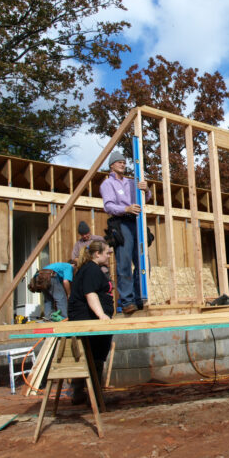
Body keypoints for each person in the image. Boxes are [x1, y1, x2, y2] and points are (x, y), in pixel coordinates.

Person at [99, 150, 151, 314]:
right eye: (119, 162)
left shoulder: (131, 182)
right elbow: (108, 206)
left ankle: (139, 298)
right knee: (124, 261)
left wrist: (146, 190)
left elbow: (144, 199)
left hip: (136, 221)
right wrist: (126, 208)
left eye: (124, 162)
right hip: (121, 222)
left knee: (143, 262)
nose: (123, 164)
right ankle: (127, 300)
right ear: (112, 165)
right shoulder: (108, 184)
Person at [68, 240, 114, 404]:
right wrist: (101, 315)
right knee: (94, 356)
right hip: (88, 320)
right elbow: (90, 293)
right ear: (97, 254)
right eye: (107, 253)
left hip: (86, 318)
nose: (109, 256)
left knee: (89, 356)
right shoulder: (91, 270)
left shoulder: (88, 269)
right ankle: (95, 398)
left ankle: (82, 394)